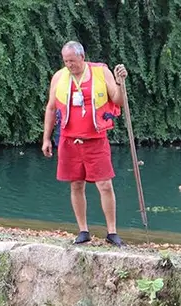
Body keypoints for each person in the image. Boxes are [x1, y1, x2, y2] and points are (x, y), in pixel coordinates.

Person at [41, 40, 129, 247]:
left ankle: (112, 232)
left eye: (72, 60)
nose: (69, 65)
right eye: (65, 61)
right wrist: (46, 138)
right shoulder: (59, 77)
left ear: (82, 57)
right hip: (69, 140)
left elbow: (118, 101)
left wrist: (120, 83)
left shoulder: (100, 72)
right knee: (76, 184)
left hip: (96, 140)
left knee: (105, 185)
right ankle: (83, 230)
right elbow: (51, 108)